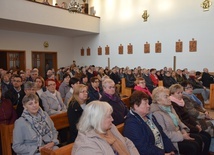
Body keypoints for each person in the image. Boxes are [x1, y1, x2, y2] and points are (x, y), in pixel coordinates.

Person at [150, 86, 205, 155]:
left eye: (168, 96)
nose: (169, 98)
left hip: (179, 133)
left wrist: (183, 131)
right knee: (193, 146)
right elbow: (164, 133)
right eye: (166, 97)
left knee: (198, 139)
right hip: (172, 140)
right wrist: (182, 136)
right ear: (158, 100)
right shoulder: (156, 113)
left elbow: (178, 121)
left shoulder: (169, 107)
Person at [72, 100, 139, 155]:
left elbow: (127, 142)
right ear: (98, 119)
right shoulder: (86, 145)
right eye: (109, 116)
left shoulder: (110, 128)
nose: (112, 119)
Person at [123, 91, 177, 155]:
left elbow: (162, 135)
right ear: (136, 106)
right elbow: (142, 147)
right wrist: (163, 153)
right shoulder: (131, 124)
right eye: (145, 103)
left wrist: (171, 150)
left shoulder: (150, 117)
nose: (148, 106)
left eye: (148, 103)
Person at [169, 84, 211, 155]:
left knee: (207, 136)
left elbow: (188, 116)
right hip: (185, 128)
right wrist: (195, 128)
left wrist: (196, 124)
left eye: (181, 92)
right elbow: (181, 121)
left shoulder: (181, 102)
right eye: (178, 93)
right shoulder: (173, 104)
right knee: (200, 140)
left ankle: (205, 152)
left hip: (189, 125)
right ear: (172, 94)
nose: (180, 95)